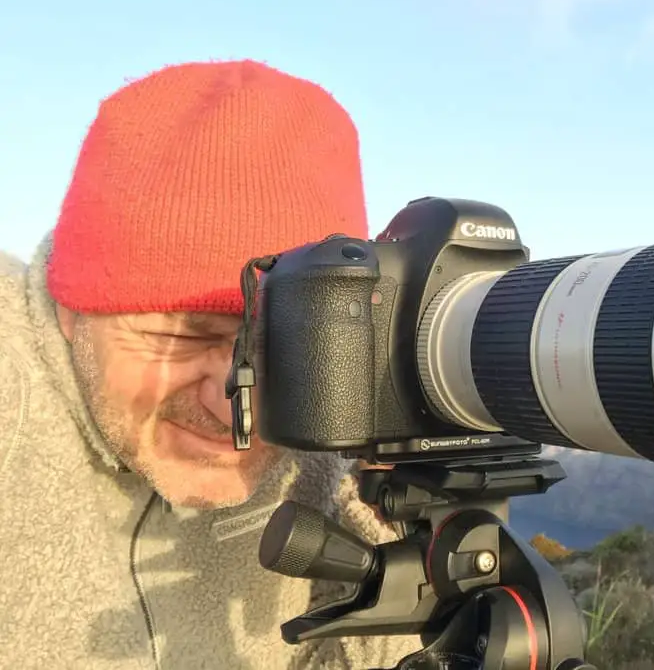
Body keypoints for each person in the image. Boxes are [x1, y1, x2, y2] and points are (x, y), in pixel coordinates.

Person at [0, 60, 424, 669]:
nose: (233, 404)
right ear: (72, 308)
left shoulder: (331, 443)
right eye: (185, 335)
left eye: (280, 345)